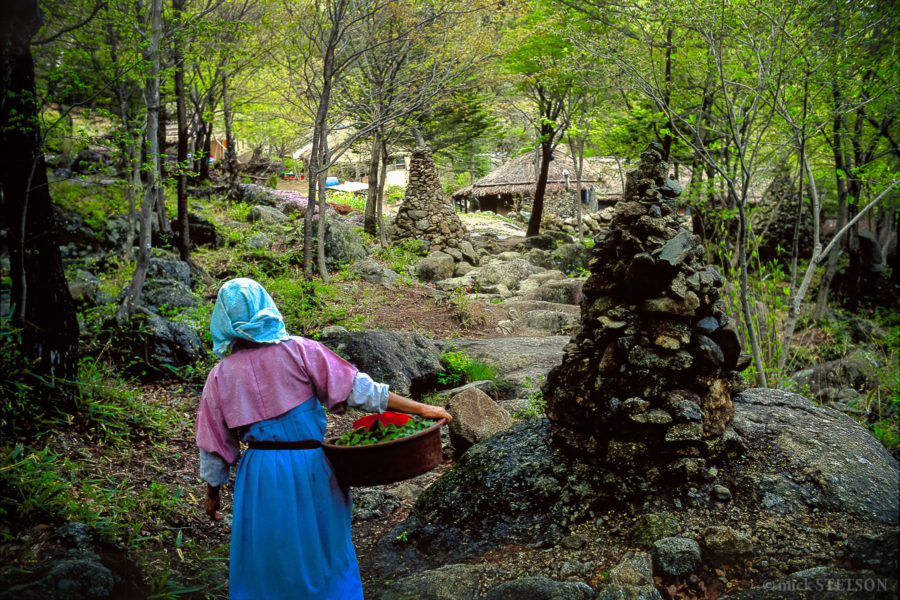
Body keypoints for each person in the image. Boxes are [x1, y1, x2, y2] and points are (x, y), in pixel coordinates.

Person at [195, 278, 451, 600]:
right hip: (311, 466)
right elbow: (360, 389)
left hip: (260, 475)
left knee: (270, 552)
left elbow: (215, 445)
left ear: (223, 319)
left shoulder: (220, 375)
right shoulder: (302, 351)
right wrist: (420, 407)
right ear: (266, 305)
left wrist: (213, 494)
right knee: (324, 547)